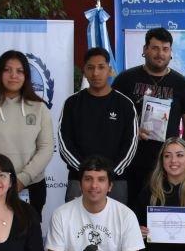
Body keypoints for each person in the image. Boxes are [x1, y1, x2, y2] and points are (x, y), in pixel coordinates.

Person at [112, 27, 185, 206]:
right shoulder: (125, 79)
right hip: (130, 163)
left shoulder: (181, 84)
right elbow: (112, 119)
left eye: (165, 49)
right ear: (145, 50)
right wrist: (134, 130)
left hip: (168, 166)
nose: (160, 54)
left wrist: (180, 154)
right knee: (132, 213)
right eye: (155, 48)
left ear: (171, 53)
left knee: (161, 214)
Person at [0, 50, 53, 218]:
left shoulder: (39, 107)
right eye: (7, 70)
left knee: (29, 235)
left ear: (26, 76)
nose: (13, 76)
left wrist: (22, 179)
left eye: (19, 71)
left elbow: (46, 147)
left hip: (31, 184)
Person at [59, 48, 138, 205]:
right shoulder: (72, 103)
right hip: (78, 180)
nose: (95, 73)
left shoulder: (125, 104)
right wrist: (85, 174)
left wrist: (109, 175)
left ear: (109, 69)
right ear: (85, 71)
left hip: (116, 180)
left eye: (101, 67)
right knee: (75, 227)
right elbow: (64, 143)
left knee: (115, 228)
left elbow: (131, 144)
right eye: (90, 67)